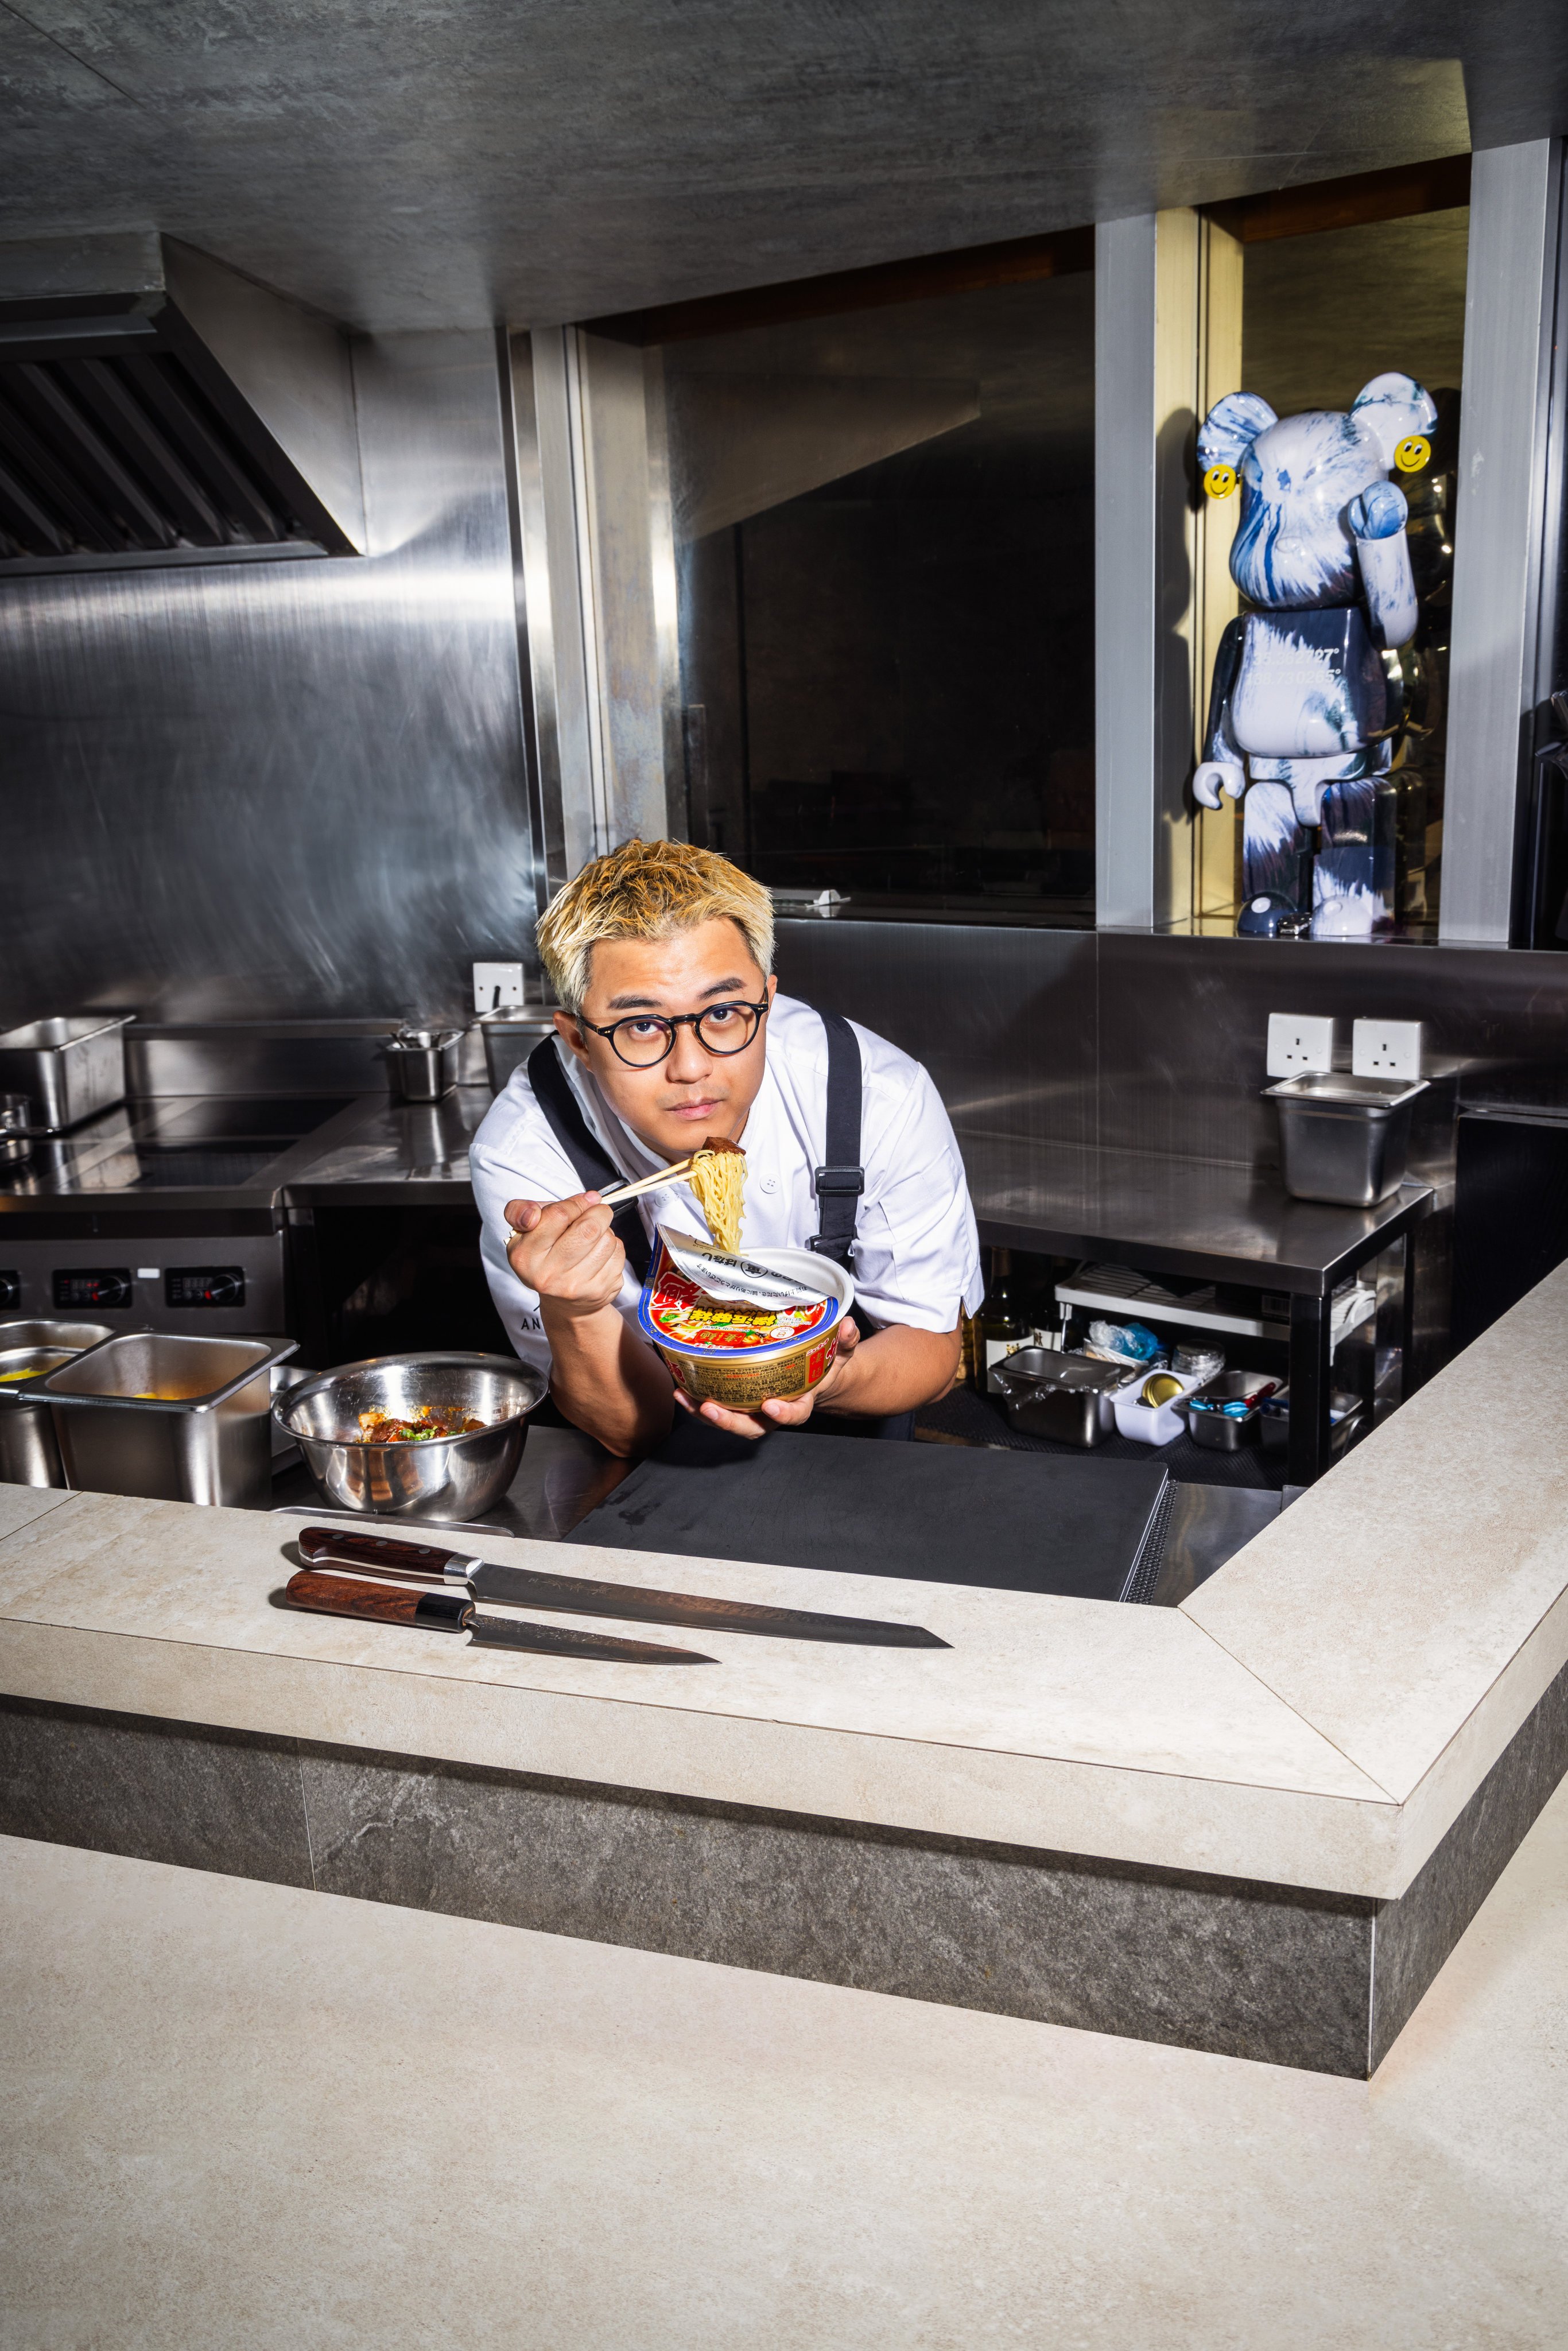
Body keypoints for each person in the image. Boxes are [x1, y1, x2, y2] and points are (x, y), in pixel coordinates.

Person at [471, 838, 982, 1456]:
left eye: (722, 1013)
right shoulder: (528, 1149)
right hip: (650, 1482)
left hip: (856, 1448)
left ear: (765, 1002)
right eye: (639, 1025)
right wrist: (571, 1308)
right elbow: (622, 1428)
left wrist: (829, 1379)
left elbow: (931, 1348)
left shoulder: (874, 1094)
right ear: (578, 1039)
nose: (690, 1068)